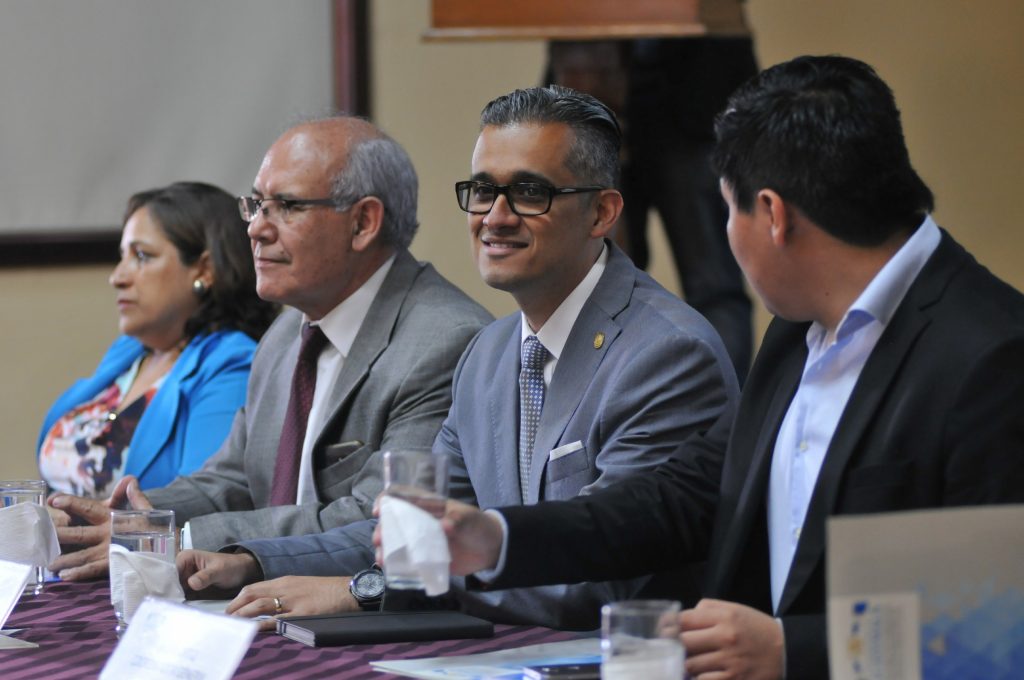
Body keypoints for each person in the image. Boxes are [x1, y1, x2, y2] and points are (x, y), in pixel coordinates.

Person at [413, 56, 1024, 679]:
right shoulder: (799, 330)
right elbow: (682, 498)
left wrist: (792, 650)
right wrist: (498, 539)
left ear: (773, 215)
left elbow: (1002, 623)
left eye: (729, 210)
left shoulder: (993, 356)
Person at [176, 86, 738, 631]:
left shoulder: (667, 353)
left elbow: (603, 575)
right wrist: (255, 561)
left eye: (529, 192)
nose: (495, 216)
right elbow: (415, 530)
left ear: (602, 213)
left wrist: (367, 590)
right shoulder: (488, 352)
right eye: (483, 190)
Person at [47, 117, 492, 581]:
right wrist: (128, 518)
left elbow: (382, 523)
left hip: (367, 609)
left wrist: (180, 538)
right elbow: (234, 478)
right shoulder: (284, 335)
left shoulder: (443, 342)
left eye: (287, 206)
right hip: (264, 599)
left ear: (363, 222)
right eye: (257, 205)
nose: (256, 229)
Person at [38, 182, 278, 496]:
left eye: (142, 256)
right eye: (122, 256)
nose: (117, 277)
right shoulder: (129, 352)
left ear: (204, 269)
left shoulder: (232, 366)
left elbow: (208, 499)